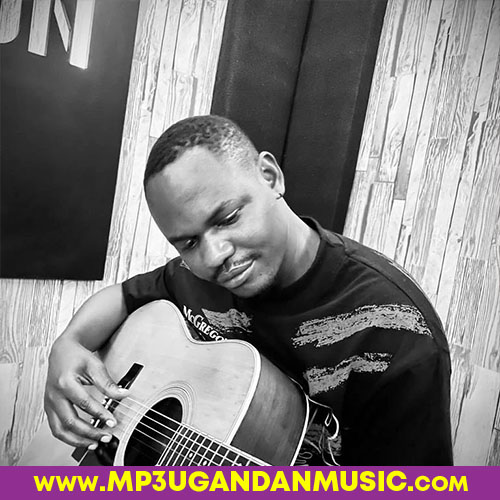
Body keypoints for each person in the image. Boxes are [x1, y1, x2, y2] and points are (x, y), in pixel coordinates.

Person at [44, 115, 453, 465]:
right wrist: (68, 344)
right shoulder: (195, 276)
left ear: (270, 177)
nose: (215, 255)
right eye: (188, 243)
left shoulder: (397, 333)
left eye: (227, 218)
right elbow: (123, 296)